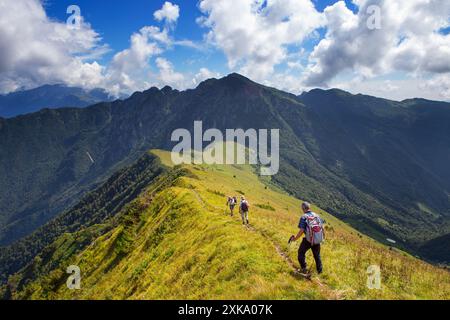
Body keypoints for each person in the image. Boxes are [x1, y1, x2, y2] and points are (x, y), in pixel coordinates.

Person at [289, 202, 324, 274]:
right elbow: (321, 227)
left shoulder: (304, 217)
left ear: (303, 208)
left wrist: (295, 238)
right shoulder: (317, 216)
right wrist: (321, 238)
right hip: (317, 239)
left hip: (308, 240)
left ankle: (304, 268)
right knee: (317, 256)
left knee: (301, 253)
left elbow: (302, 230)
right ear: (309, 208)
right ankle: (320, 272)